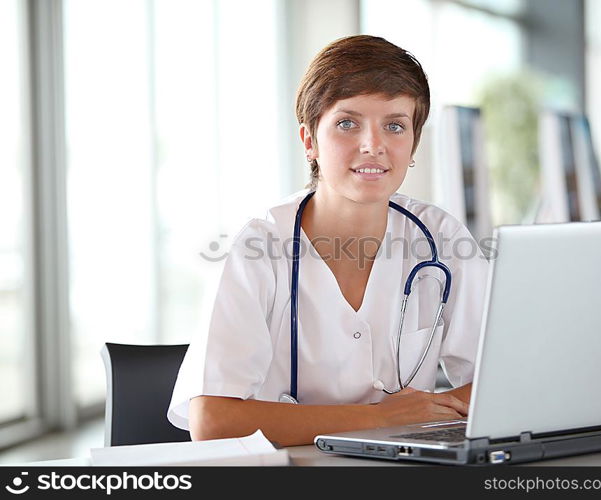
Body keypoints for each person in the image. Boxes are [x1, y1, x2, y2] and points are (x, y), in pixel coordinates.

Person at [167, 35, 489, 446]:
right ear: (309, 141)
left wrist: (420, 413)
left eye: (394, 125)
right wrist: (379, 419)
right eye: (347, 123)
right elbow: (213, 422)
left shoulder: (441, 237)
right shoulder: (259, 246)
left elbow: (500, 382)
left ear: (413, 145)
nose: (373, 145)